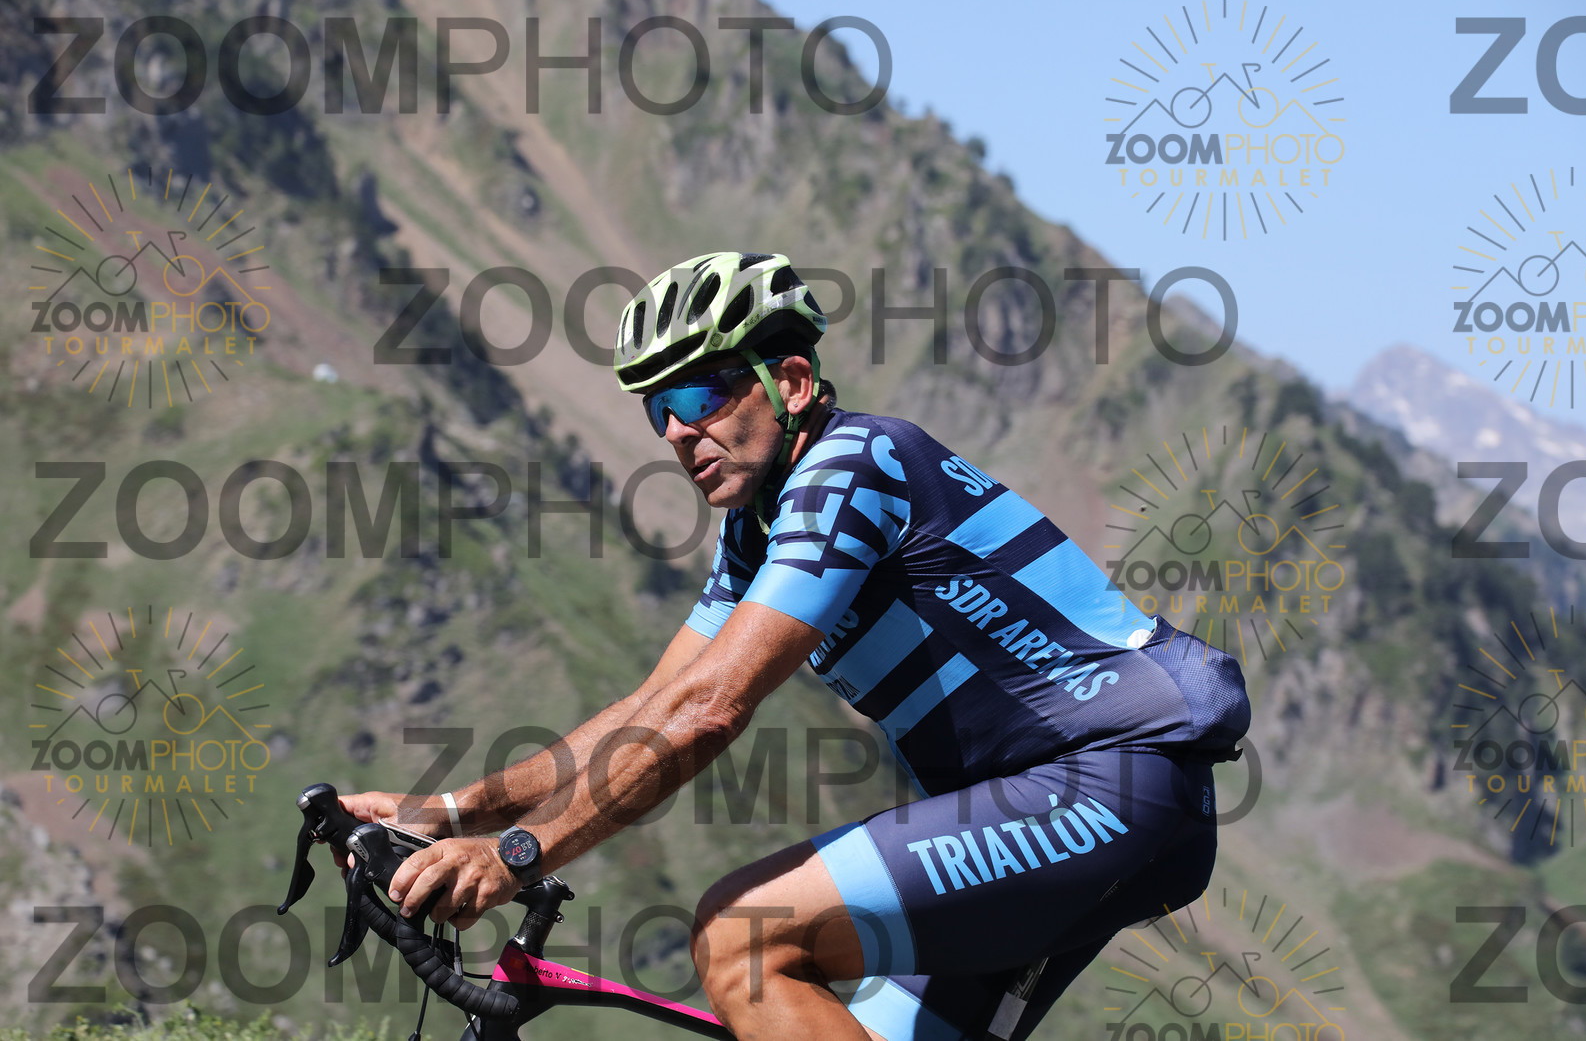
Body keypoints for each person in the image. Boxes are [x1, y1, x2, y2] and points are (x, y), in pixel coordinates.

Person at [340, 252, 1251, 1040]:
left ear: (794, 382)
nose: (677, 430)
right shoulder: (757, 529)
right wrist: (454, 811)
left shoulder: (852, 469)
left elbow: (709, 711)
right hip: (1061, 808)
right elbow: (649, 709)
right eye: (658, 409)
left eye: (701, 392)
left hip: (1111, 781)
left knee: (742, 936)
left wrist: (518, 855)